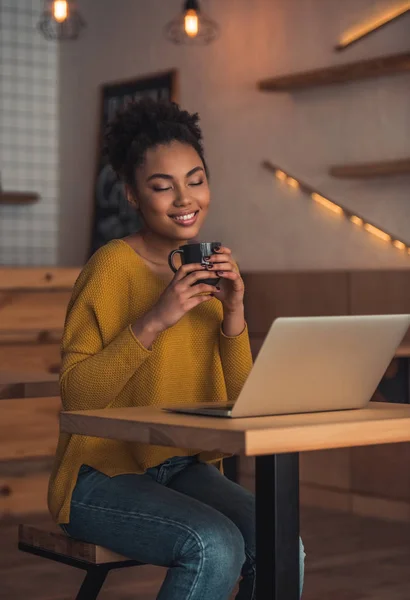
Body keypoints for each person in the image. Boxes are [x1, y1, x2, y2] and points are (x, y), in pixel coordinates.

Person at [48, 98, 305, 599]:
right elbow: (76, 397)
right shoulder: (109, 268)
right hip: (98, 475)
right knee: (213, 545)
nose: (184, 198)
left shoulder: (206, 272)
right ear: (132, 195)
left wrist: (234, 316)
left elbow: (244, 402)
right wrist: (155, 319)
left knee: (282, 547)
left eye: (196, 179)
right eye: (162, 186)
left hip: (183, 466)